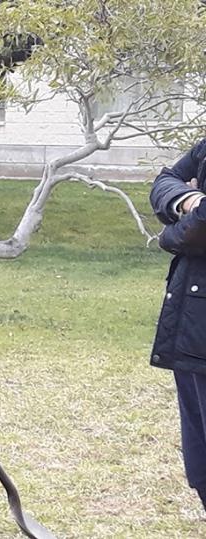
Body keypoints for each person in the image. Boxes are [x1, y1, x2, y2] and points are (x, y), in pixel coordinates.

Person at [150, 139, 206, 514]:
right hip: (192, 321)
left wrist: (171, 235)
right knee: (199, 449)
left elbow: (195, 232)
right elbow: (165, 180)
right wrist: (189, 201)